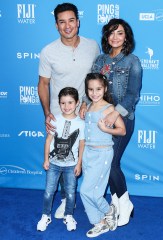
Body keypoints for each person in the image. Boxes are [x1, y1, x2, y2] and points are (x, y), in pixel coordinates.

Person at [38, 3, 99, 219]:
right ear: (56, 25)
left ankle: (95, 198)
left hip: (88, 112)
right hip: (60, 115)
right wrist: (47, 113)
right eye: (62, 22)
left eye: (71, 20)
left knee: (89, 155)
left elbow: (97, 79)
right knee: (62, 156)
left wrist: (86, 102)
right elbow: (43, 84)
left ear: (78, 22)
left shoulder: (93, 46)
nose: (67, 26)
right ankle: (65, 200)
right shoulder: (48, 51)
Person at [80, 18, 142, 227]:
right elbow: (91, 85)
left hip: (122, 118)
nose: (115, 37)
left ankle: (124, 204)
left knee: (112, 163)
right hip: (99, 118)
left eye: (120, 33)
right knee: (106, 165)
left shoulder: (133, 61)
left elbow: (133, 94)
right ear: (106, 36)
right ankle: (116, 203)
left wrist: (115, 113)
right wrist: (83, 103)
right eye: (111, 33)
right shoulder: (100, 60)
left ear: (126, 37)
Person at [80, 73, 126, 238]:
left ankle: (109, 210)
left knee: (86, 191)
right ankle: (99, 222)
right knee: (92, 190)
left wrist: (106, 129)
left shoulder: (109, 109)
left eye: (98, 89)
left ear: (105, 88)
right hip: (88, 154)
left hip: (102, 153)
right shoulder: (88, 107)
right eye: (91, 89)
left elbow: (122, 130)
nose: (94, 93)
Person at [37, 87, 85, 232]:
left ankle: (68, 216)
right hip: (53, 164)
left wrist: (79, 163)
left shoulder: (82, 123)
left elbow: (82, 144)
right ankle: (45, 215)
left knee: (70, 193)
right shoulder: (54, 120)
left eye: (70, 102)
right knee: (48, 192)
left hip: (71, 166)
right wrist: (46, 159)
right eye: (63, 103)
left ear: (77, 103)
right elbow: (48, 141)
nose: (66, 106)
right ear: (58, 104)